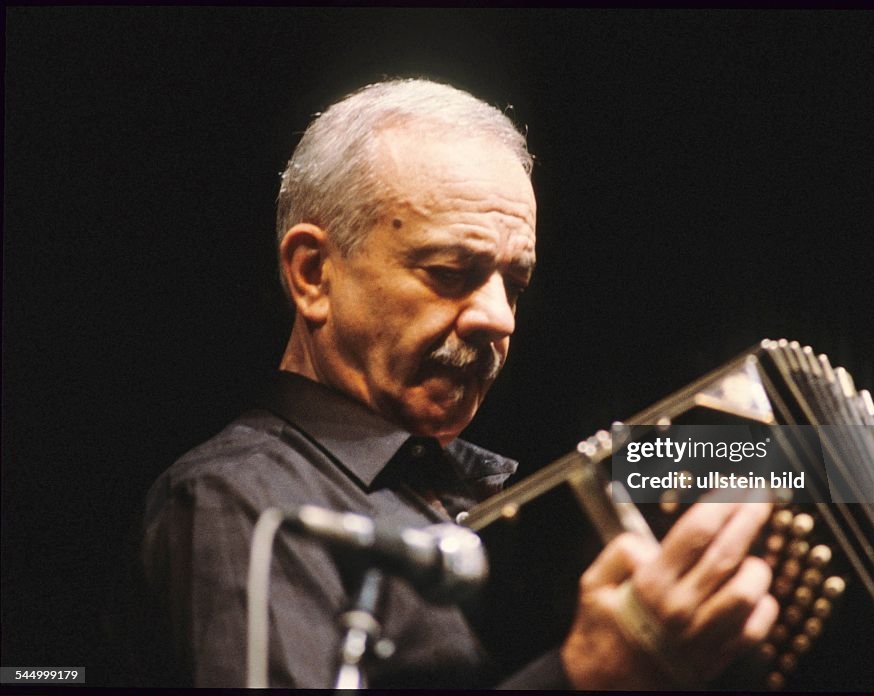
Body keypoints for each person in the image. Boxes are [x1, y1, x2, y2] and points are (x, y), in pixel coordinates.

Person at [141, 78, 779, 689]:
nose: (498, 317)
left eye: (515, 286)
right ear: (313, 275)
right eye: (451, 271)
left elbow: (788, 461)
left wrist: (867, 468)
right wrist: (589, 678)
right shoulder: (241, 500)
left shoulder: (506, 491)